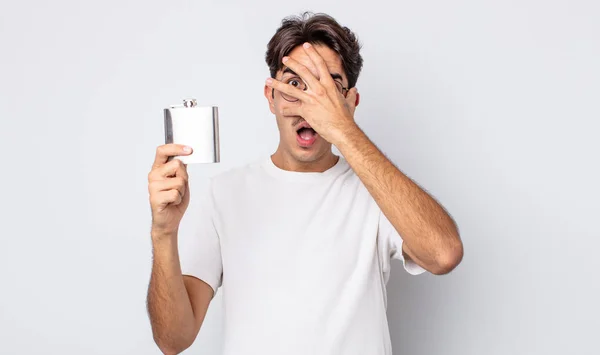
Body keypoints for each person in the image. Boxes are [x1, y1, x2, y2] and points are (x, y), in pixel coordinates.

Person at [146, 12, 463, 355]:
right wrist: (163, 233)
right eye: (295, 84)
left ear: (350, 102)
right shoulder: (223, 194)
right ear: (271, 96)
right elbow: (173, 339)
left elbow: (443, 254)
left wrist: (342, 129)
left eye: (327, 87)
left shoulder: (377, 193)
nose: (311, 103)